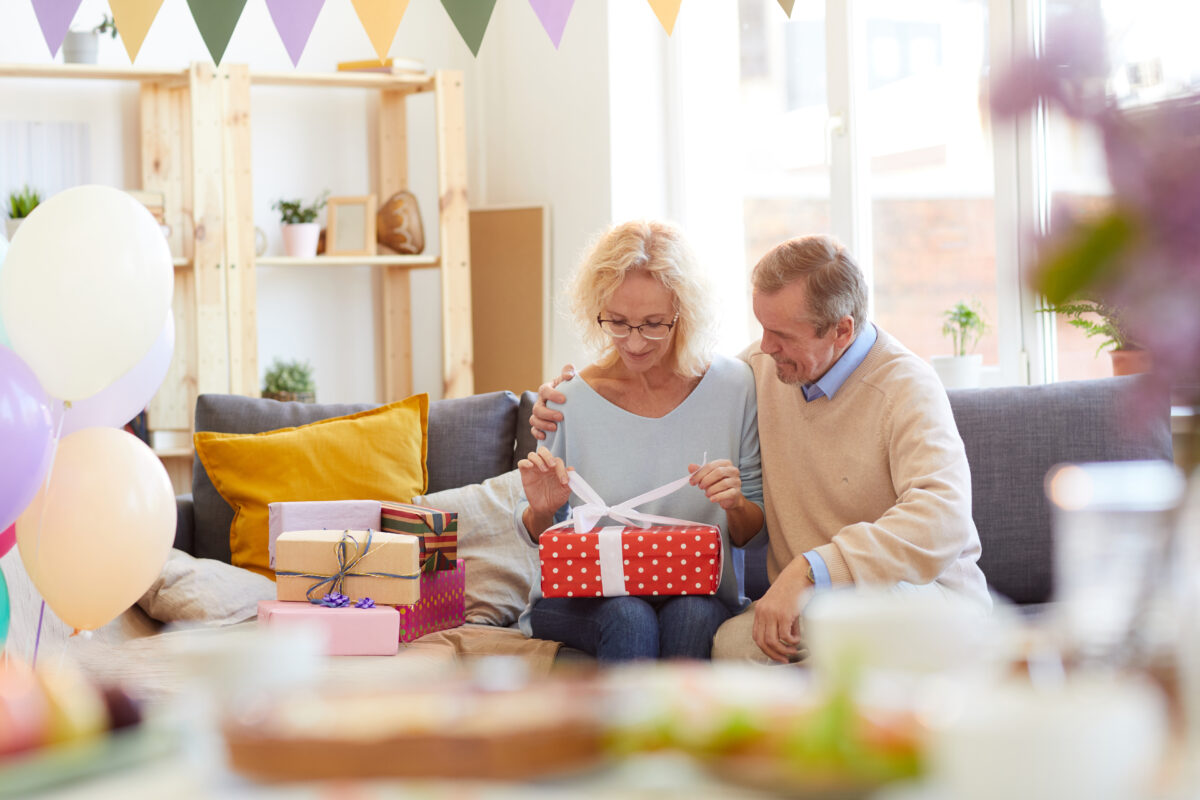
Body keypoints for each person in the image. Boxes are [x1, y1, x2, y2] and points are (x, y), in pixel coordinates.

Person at [531, 234, 989, 663]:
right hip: (815, 601)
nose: (765, 347)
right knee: (731, 644)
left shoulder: (907, 387)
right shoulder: (763, 369)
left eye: (782, 334)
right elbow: (686, 378)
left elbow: (941, 517)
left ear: (841, 331)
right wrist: (568, 391)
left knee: (850, 624)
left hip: (918, 594)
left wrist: (810, 570)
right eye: (762, 328)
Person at [516, 219, 765, 662]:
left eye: (653, 324)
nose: (633, 343)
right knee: (629, 616)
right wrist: (541, 509)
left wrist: (734, 503)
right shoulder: (570, 400)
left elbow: (750, 534)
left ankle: (669, 733)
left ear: (684, 314)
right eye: (617, 322)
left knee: (689, 615)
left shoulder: (735, 387)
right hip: (583, 596)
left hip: (697, 590)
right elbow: (541, 535)